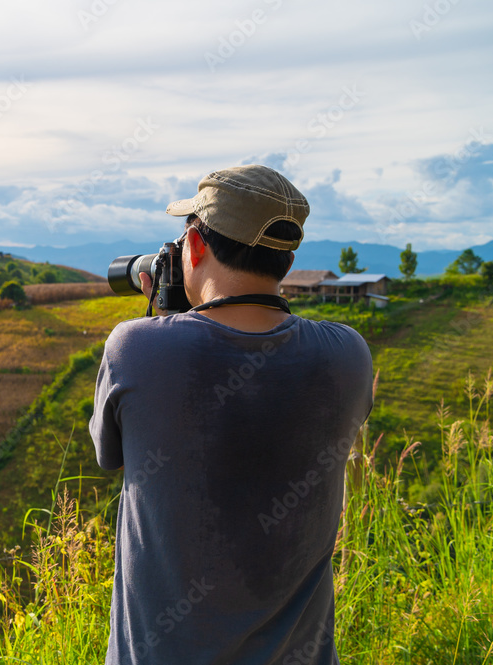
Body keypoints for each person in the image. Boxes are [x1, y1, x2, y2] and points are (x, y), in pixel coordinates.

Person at [88, 164, 374, 664]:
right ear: (285, 260)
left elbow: (108, 454)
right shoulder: (347, 354)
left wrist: (166, 314)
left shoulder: (134, 349)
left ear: (194, 247)